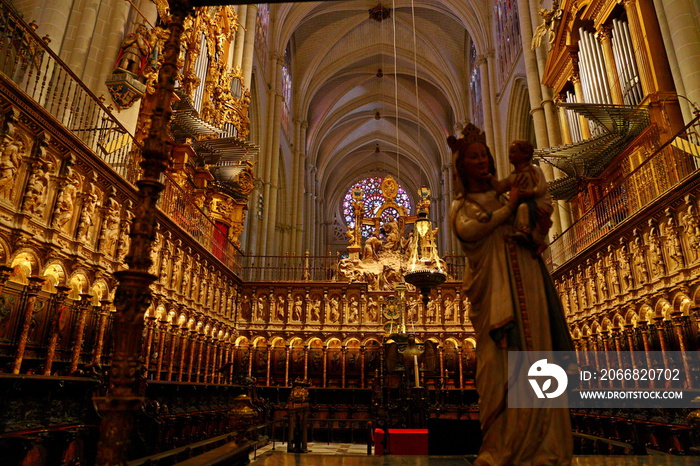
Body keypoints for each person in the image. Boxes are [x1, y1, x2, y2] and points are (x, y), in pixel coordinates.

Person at [447, 124, 573, 466]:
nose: (483, 160)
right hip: (495, 290)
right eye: (473, 156)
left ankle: (545, 444)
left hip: (527, 276)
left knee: (538, 348)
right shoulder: (461, 205)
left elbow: (534, 210)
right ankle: (504, 443)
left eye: (485, 155)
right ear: (462, 166)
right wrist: (510, 207)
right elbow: (467, 230)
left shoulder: (504, 193)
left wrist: (531, 220)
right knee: (495, 365)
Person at [489, 140, 553, 255]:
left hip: (539, 202)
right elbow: (500, 187)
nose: (509, 155)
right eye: (509, 152)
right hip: (526, 205)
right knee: (517, 212)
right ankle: (530, 237)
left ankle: (528, 234)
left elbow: (542, 187)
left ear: (525, 154)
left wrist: (530, 193)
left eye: (513, 152)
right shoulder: (513, 176)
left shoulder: (533, 170)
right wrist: (489, 177)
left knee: (522, 208)